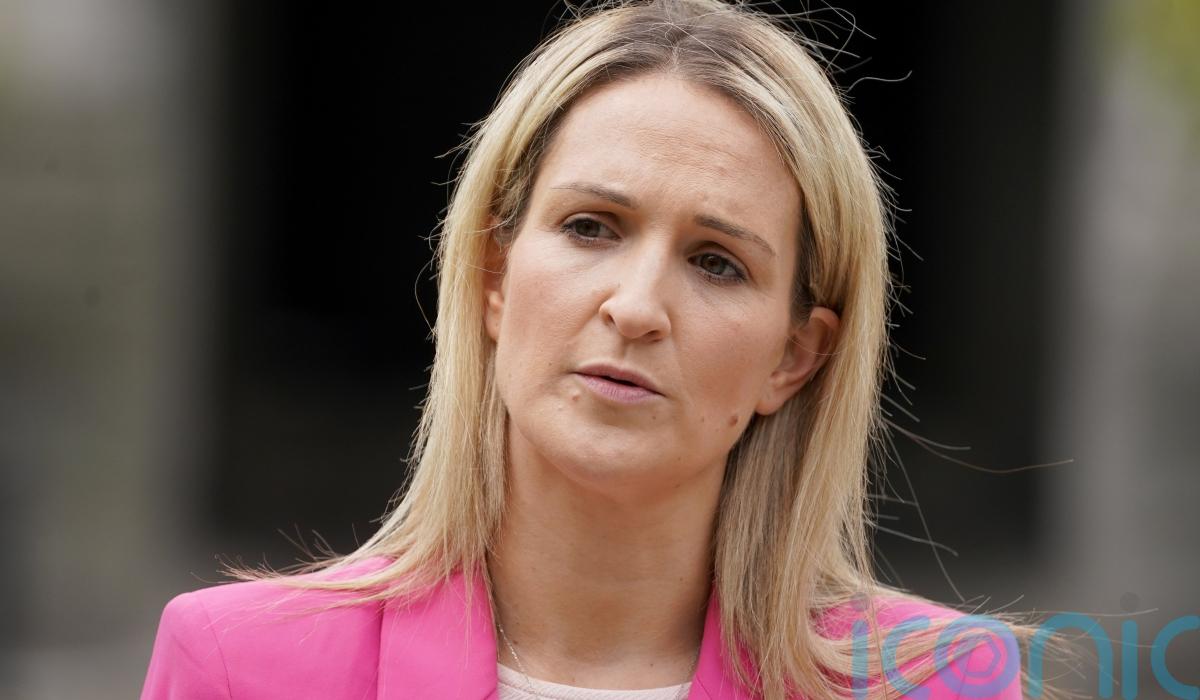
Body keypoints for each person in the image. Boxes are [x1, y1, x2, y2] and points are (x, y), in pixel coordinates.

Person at [141, 1, 1030, 698]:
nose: (636, 308)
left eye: (716, 263)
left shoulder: (943, 684)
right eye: (591, 226)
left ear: (795, 356)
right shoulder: (238, 666)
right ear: (493, 276)